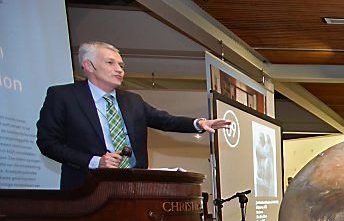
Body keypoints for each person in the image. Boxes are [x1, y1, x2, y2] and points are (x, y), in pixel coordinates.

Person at [36, 41, 231, 190]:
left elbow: (164, 120)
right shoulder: (62, 96)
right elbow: (48, 143)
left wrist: (199, 123)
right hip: (86, 188)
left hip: (135, 187)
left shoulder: (132, 100)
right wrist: (95, 161)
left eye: (121, 65)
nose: (120, 70)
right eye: (110, 63)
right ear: (88, 66)